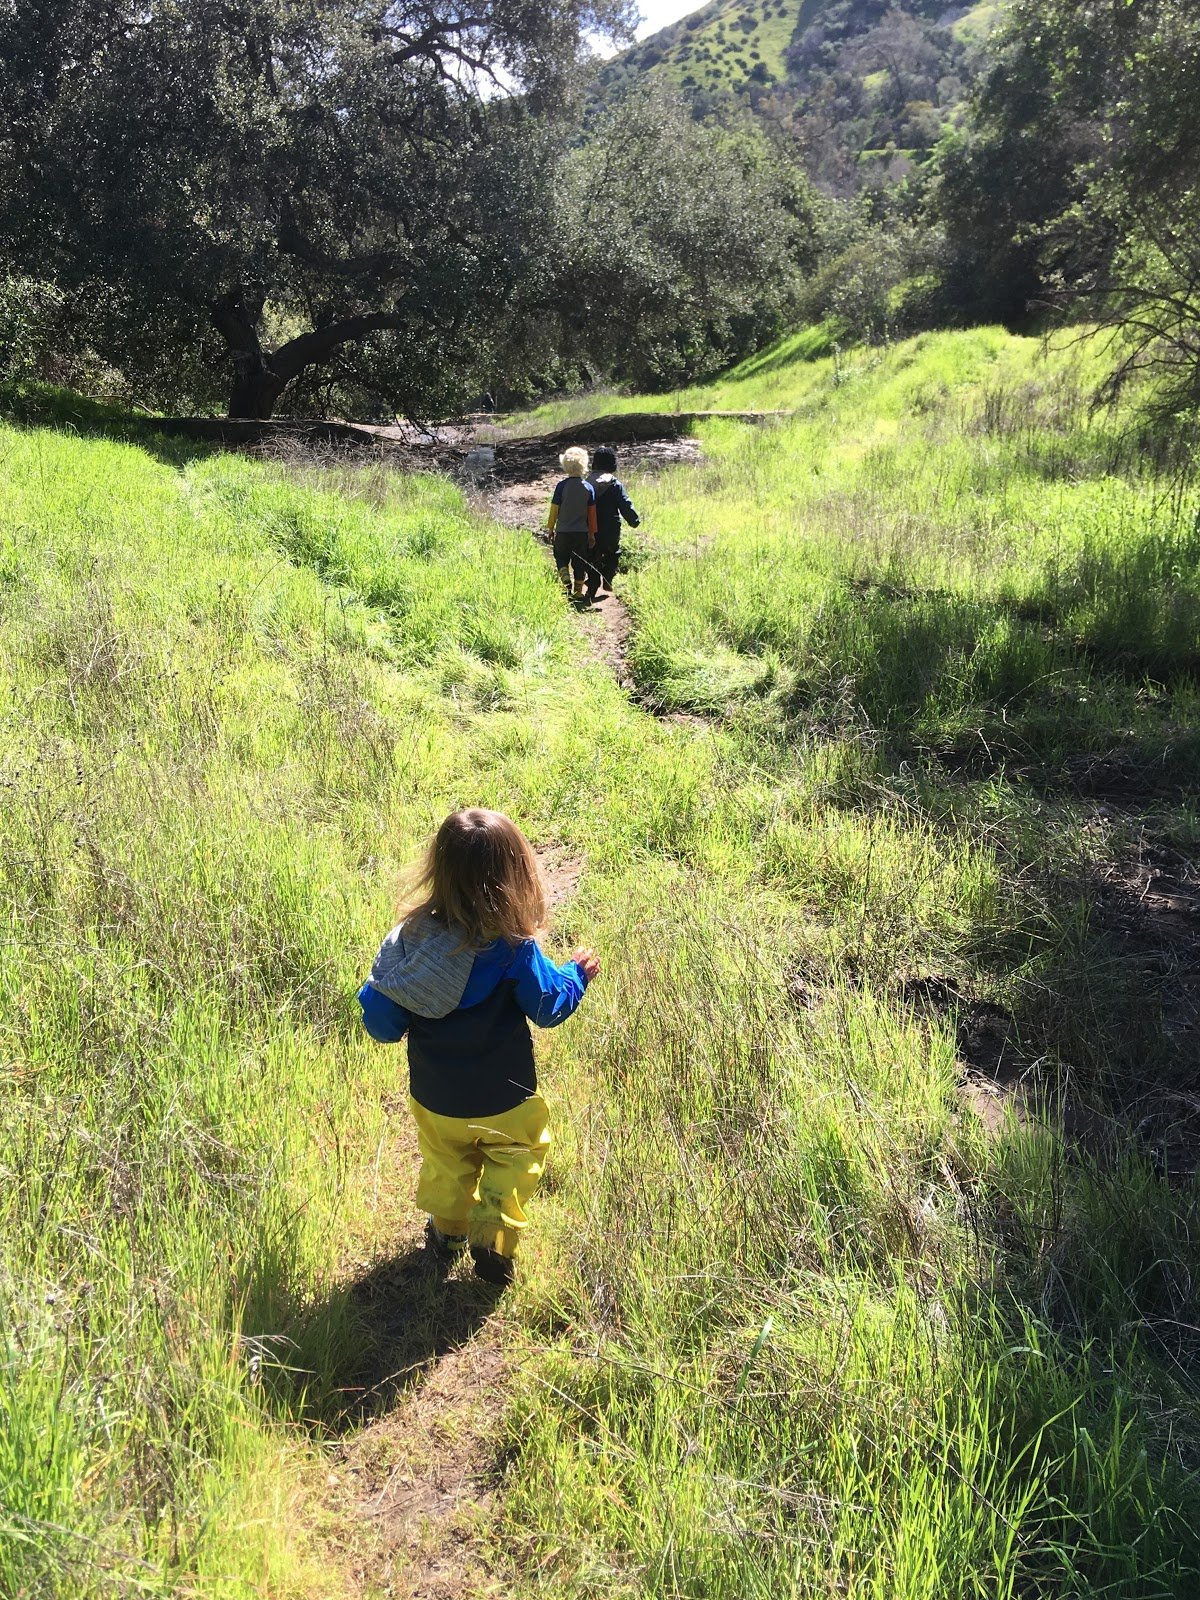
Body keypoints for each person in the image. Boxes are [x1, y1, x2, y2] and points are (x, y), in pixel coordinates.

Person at [357, 808, 600, 1286]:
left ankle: (447, 1232)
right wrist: (576, 974)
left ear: (439, 870)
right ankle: (492, 1237)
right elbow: (548, 1006)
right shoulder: (512, 948)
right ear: (515, 876)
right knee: (517, 1154)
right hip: (506, 1096)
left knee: (448, 1162)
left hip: (436, 1097)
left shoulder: (411, 942)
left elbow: (381, 1020)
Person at [586, 446, 640, 602]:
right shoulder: (615, 484)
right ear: (612, 464)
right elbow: (625, 504)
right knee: (613, 553)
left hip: (591, 527)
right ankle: (608, 578)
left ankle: (593, 582)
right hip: (611, 528)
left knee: (591, 554)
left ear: (594, 463)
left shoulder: (587, 482)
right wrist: (633, 520)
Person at [545, 446, 597, 599]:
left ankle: (565, 577)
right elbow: (592, 514)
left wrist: (550, 528)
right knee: (579, 561)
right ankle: (578, 592)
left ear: (565, 466)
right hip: (581, 532)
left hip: (563, 531)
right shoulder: (588, 488)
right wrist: (592, 534)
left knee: (560, 556)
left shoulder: (561, 486)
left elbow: (554, 509)